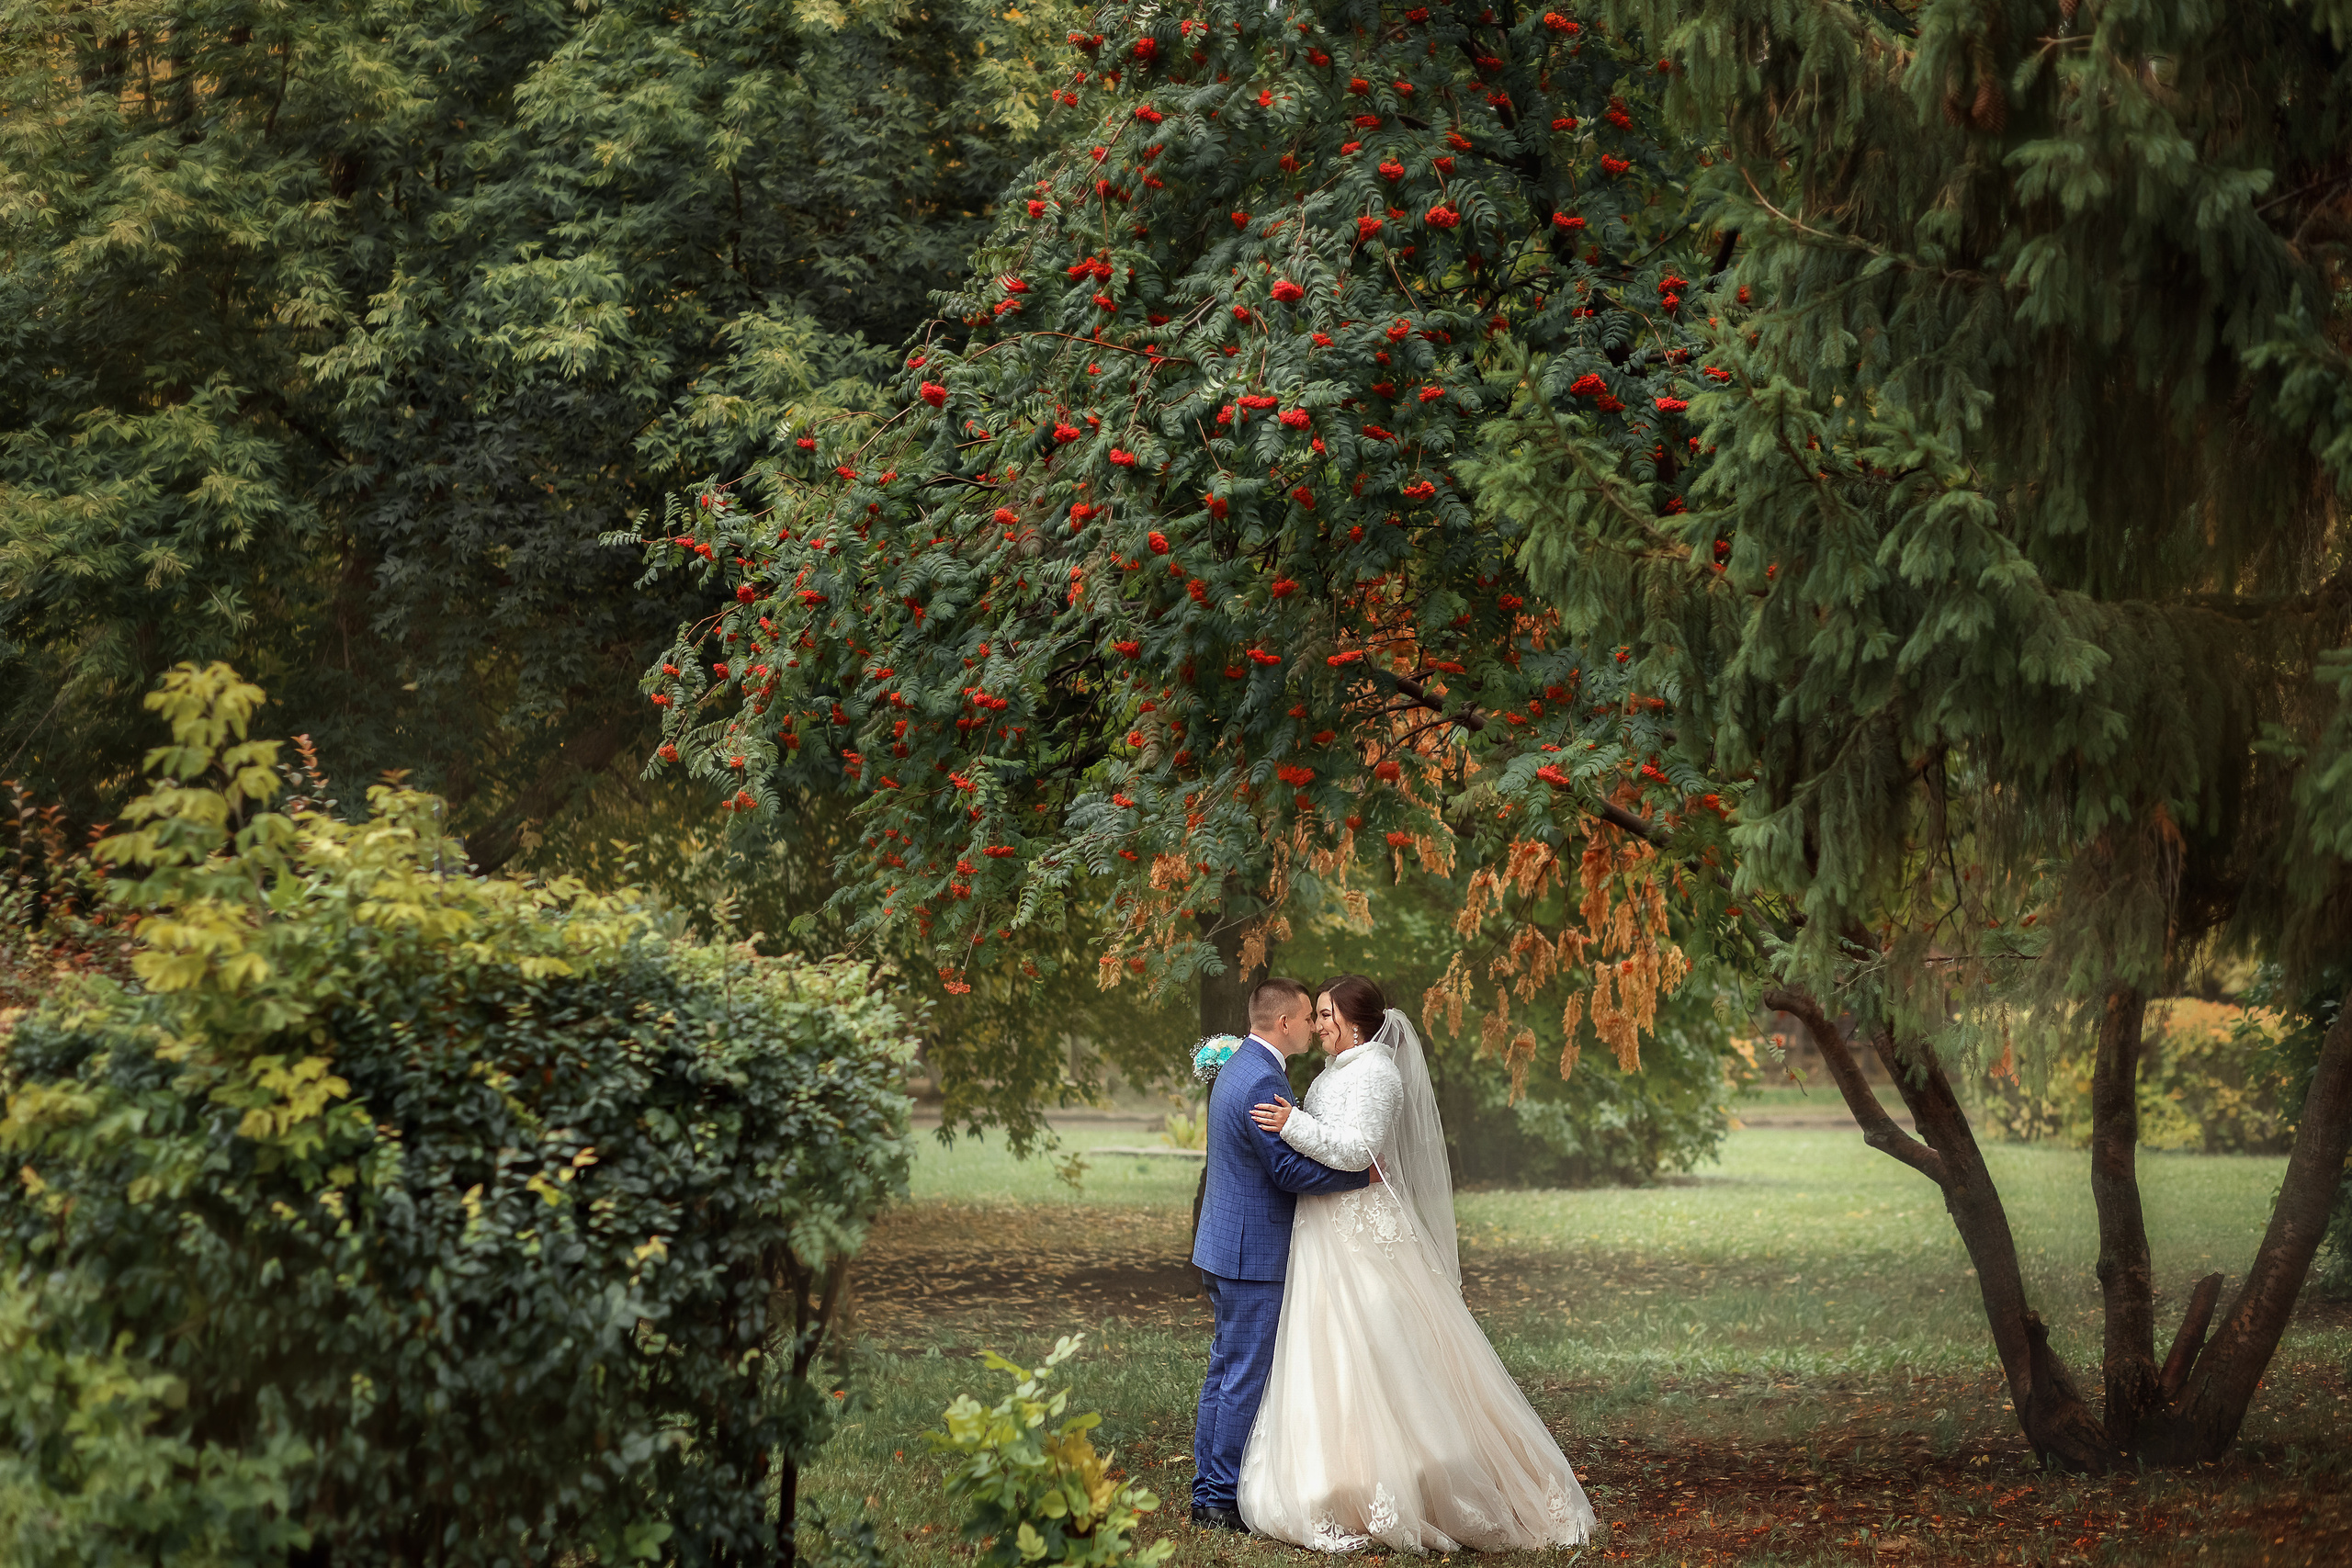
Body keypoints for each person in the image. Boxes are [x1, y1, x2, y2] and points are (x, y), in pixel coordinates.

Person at [1236, 974, 1597, 1552]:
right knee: (1328, 1349)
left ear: (1354, 1022)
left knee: (1384, 1343)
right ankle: (1335, 1480)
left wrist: (1293, 1125)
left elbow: (1359, 1150)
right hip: (1325, 1228)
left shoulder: (1378, 1073)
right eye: (1316, 1015)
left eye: (1326, 1015)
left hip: (1362, 1231)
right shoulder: (1331, 1073)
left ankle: (1425, 1478)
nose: (1318, 1024)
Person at [1190, 977, 1374, 1534]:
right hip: (1251, 1253)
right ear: (1285, 1023)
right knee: (1243, 1375)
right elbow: (1287, 1170)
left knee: (1226, 1369)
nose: (1315, 1026)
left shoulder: (1240, 1064)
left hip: (1226, 1244)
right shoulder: (1262, 1079)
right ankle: (1220, 1499)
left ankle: (1208, 1490)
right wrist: (1361, 1177)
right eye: (1309, 1017)